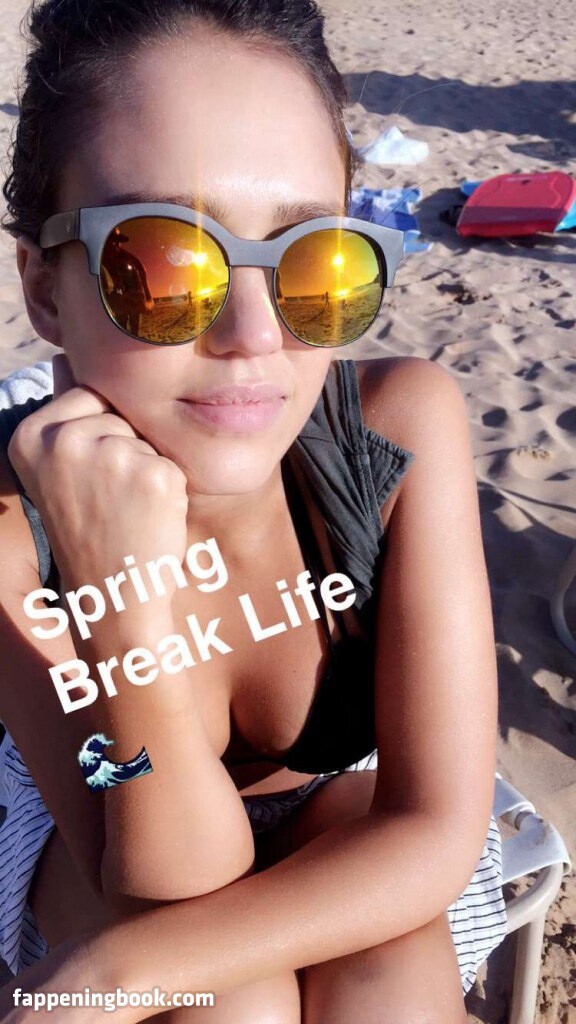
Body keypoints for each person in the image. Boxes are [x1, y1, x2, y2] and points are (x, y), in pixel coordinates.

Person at [0, 1, 507, 1021]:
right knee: (226, 1002)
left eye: (313, 260)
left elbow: (432, 824)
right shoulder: (12, 532)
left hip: (350, 807)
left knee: (391, 974)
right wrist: (122, 602)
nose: (253, 333)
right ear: (46, 291)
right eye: (160, 264)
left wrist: (104, 981)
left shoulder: (398, 433)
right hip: (105, 830)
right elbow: (154, 878)